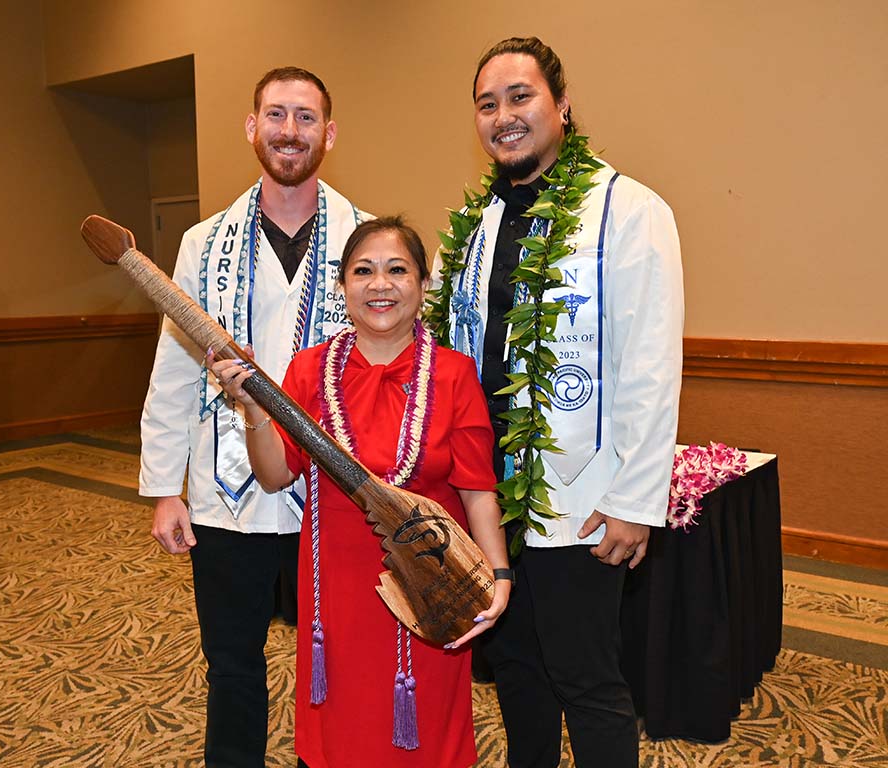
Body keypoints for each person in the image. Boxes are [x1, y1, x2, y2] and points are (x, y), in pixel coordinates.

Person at [428, 37, 684, 768]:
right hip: (491, 499)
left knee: (587, 676)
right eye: (487, 104)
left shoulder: (630, 211)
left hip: (585, 500)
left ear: (562, 106)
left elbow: (652, 362)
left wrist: (638, 498)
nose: (504, 116)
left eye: (521, 97)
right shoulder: (470, 231)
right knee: (515, 668)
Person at [209, 217, 513, 768]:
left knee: (428, 733)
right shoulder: (308, 370)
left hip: (431, 585)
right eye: (364, 271)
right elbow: (277, 476)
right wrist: (252, 407)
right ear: (343, 285)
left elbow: (477, 491)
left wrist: (498, 573)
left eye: (398, 270)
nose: (380, 284)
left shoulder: (453, 374)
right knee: (343, 732)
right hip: (338, 595)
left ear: (423, 286)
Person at [139, 66, 368, 767]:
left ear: (328, 133)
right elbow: (174, 367)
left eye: (305, 118)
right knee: (232, 663)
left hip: (329, 494)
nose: (289, 131)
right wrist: (162, 488)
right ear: (252, 126)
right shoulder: (203, 243)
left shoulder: (365, 242)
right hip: (223, 493)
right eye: (276, 115)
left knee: (333, 663)